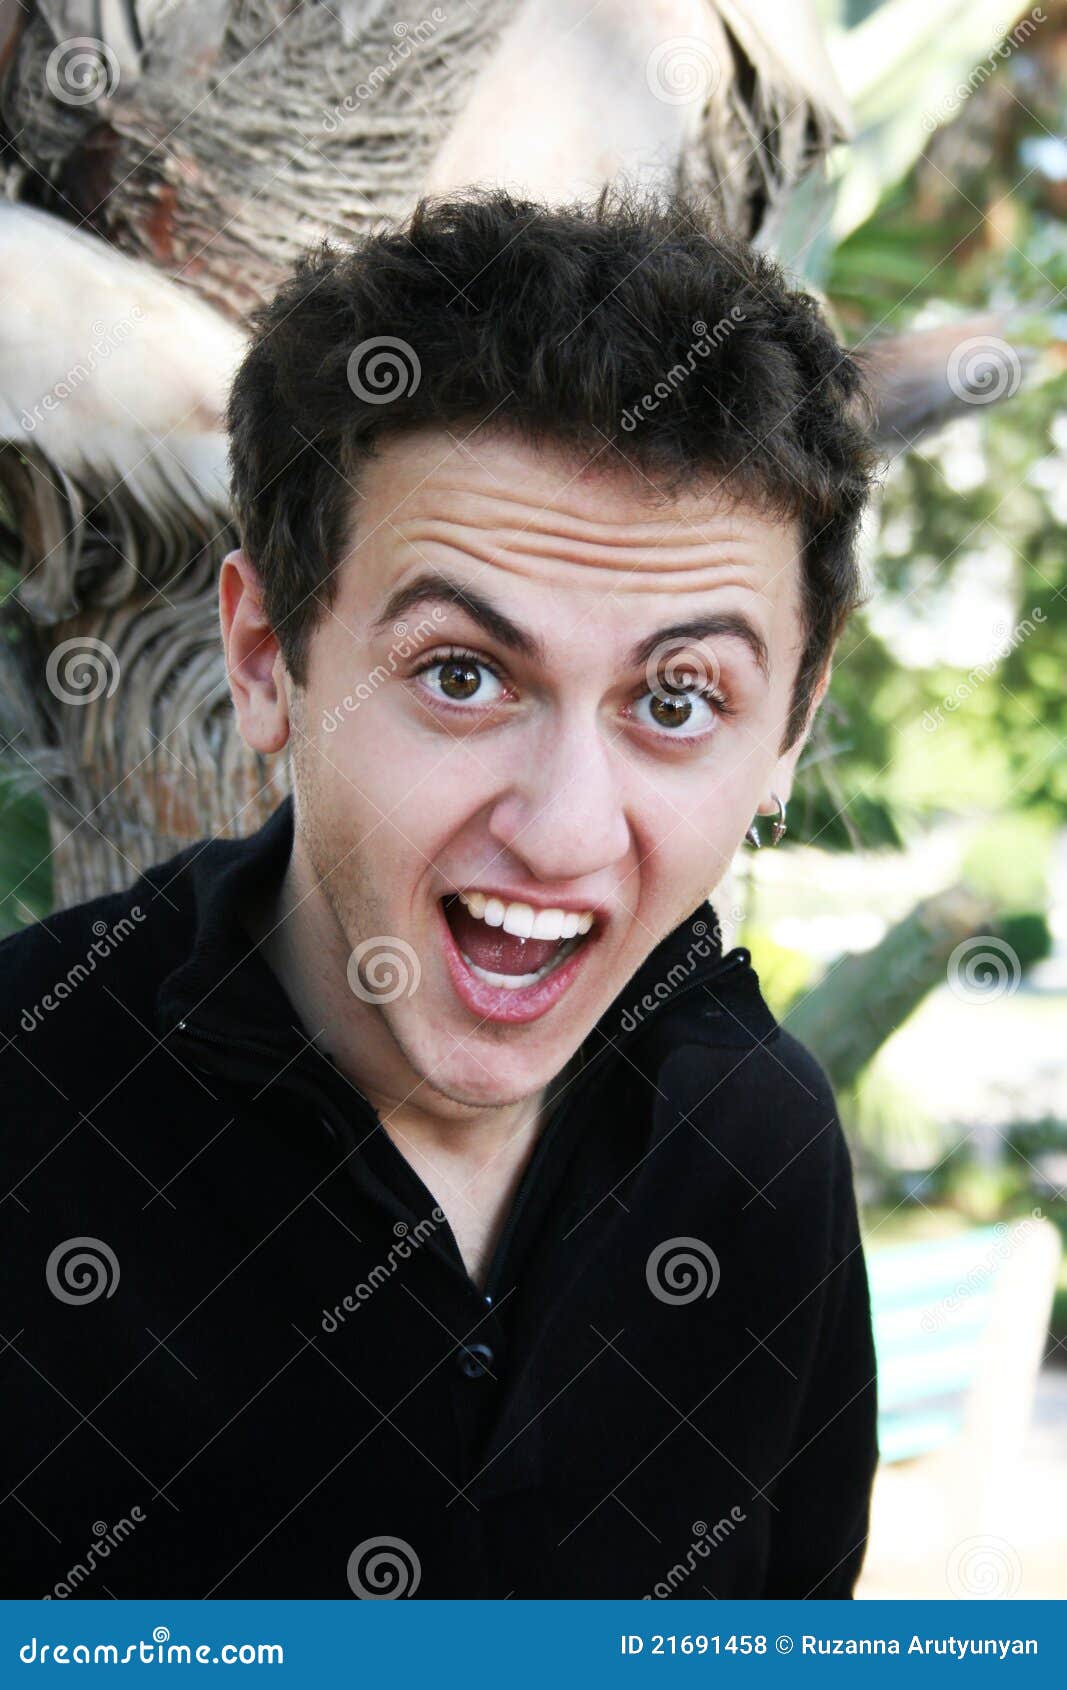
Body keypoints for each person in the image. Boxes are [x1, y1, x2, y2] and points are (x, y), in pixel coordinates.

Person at [1, 186, 881, 1600]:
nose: (564, 831)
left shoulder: (762, 1141)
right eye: (462, 674)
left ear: (789, 729)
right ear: (266, 657)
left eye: (677, 699)